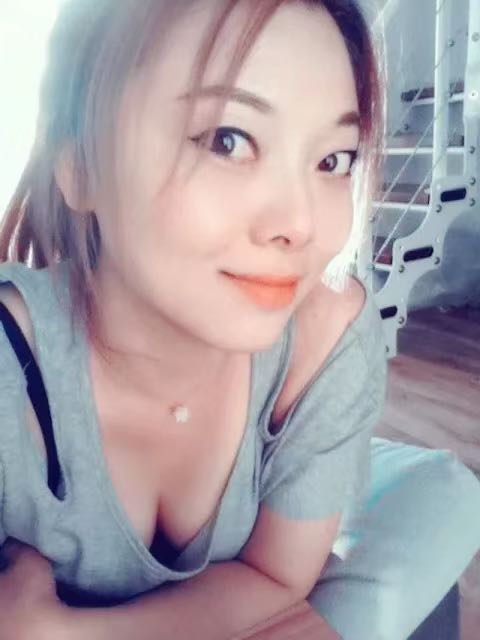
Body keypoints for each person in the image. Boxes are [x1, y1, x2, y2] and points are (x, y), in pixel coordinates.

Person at [0, 1, 479, 639]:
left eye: (334, 160)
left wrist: (61, 634)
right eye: (228, 140)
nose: (301, 225)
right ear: (81, 165)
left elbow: (276, 581)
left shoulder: (326, 338)